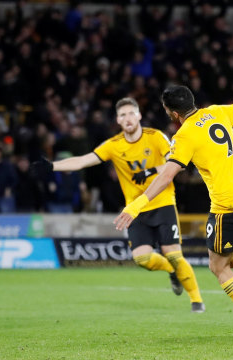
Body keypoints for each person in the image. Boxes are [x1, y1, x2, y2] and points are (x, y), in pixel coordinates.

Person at [114, 61, 233, 336]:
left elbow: (166, 176)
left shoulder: (184, 135)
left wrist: (136, 204)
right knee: (228, 258)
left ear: (174, 114)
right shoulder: (216, 113)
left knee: (218, 266)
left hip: (229, 207)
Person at [31, 97, 205, 312]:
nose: (128, 118)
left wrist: (150, 171)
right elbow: (83, 160)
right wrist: (51, 166)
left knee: (174, 254)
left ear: (139, 115)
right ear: (118, 120)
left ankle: (197, 301)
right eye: (123, 115)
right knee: (142, 258)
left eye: (131, 113)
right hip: (135, 209)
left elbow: (177, 164)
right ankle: (172, 271)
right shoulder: (113, 145)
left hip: (162, 203)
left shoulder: (156, 137)